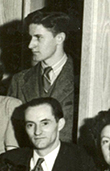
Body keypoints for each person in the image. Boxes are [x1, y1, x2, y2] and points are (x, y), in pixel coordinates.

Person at [9, 10, 77, 142]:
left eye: (38, 38)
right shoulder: (19, 81)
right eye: (30, 38)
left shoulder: (82, 79)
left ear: (59, 38)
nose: (30, 45)